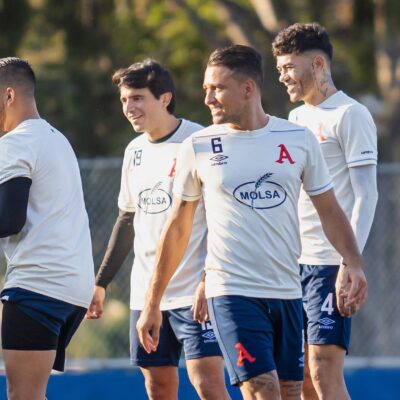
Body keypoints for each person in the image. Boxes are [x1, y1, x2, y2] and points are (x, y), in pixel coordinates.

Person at [136, 45, 368, 400]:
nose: (208, 98)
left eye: (217, 88)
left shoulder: (297, 139)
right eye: (206, 89)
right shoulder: (199, 146)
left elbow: (330, 211)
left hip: (287, 292)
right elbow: (178, 229)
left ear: (248, 89)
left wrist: (353, 262)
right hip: (231, 293)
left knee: (291, 392)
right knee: (263, 390)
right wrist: (153, 303)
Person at [85, 59, 229, 400]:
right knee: (158, 387)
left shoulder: (201, 141)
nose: (129, 108)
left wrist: (209, 277)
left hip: (194, 291)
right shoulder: (133, 151)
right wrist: (101, 282)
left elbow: (223, 219)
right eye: (124, 100)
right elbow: (127, 220)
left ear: (165, 98)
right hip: (147, 294)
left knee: (207, 383)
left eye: (137, 98)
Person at [273, 23, 378, 400]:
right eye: (279, 69)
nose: (283, 76)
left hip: (329, 263)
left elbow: (367, 195)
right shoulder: (296, 119)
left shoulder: (351, 114)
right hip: (293, 264)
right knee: (299, 374)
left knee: (322, 369)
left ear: (318, 64)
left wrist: (350, 261)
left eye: (289, 67)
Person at [0, 57, 94, 400]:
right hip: (72, 287)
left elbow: (9, 219)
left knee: (22, 395)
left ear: (9, 95)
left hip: (38, 285)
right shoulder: (57, 139)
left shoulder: (15, 142)